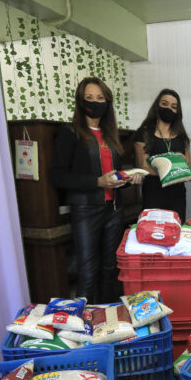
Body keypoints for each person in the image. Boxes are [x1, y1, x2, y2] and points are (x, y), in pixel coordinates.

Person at [52, 76, 142, 303]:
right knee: (88, 269)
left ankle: (106, 317)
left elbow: (115, 172)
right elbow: (59, 176)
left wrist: (129, 178)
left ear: (108, 102)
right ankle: (83, 323)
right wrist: (96, 182)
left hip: (113, 209)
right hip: (85, 209)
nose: (95, 102)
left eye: (100, 98)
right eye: (89, 98)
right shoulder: (69, 133)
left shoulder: (110, 136)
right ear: (80, 102)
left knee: (110, 267)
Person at [134, 89, 191, 222]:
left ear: (178, 111)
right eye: (164, 104)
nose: (168, 108)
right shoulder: (143, 133)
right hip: (153, 194)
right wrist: (175, 164)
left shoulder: (183, 137)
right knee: (152, 234)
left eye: (173, 107)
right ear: (157, 106)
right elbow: (144, 166)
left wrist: (164, 165)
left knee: (175, 234)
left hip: (177, 195)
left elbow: (187, 168)